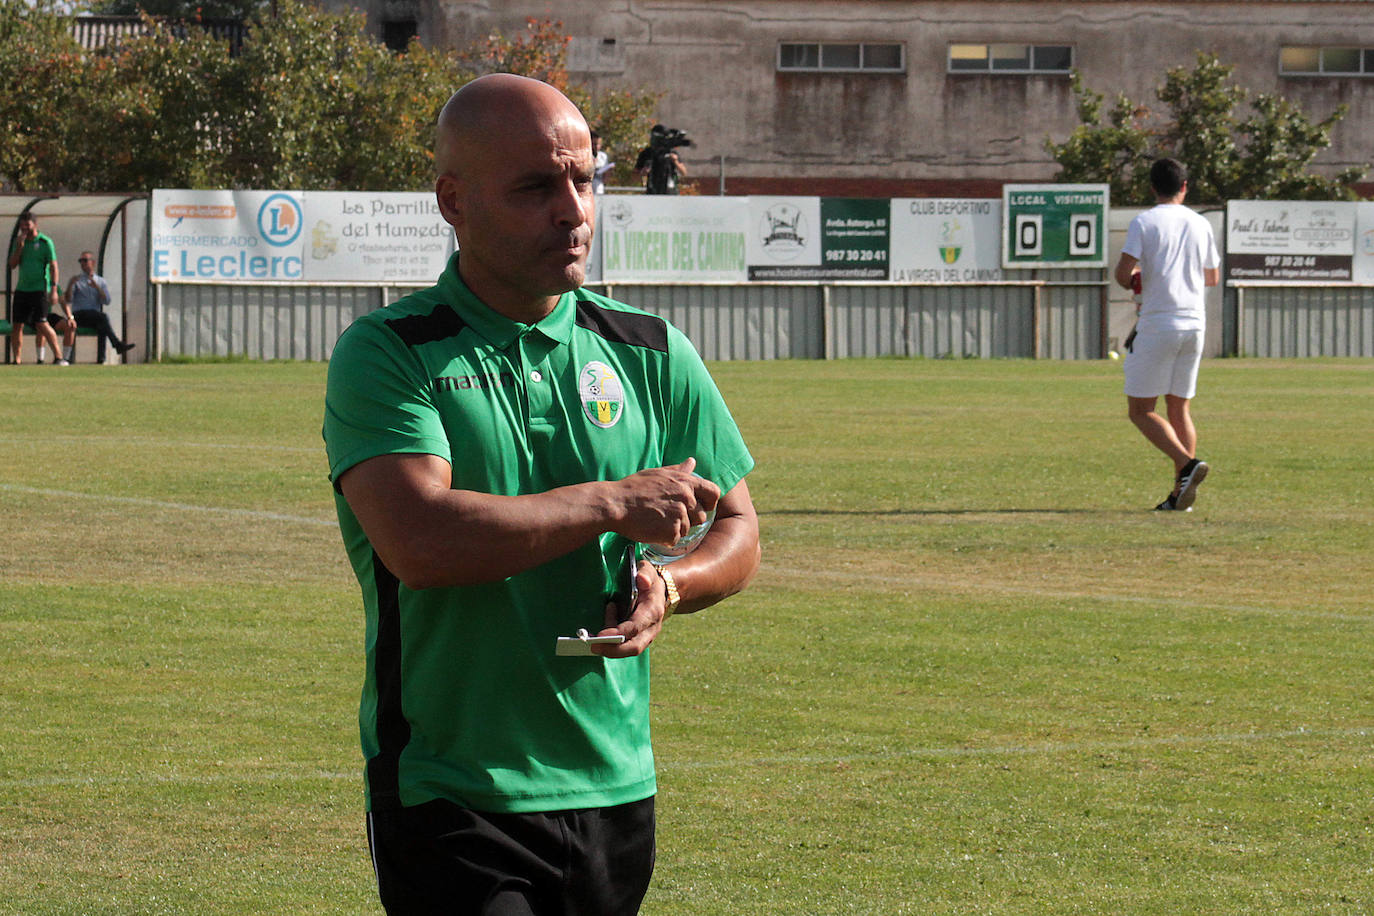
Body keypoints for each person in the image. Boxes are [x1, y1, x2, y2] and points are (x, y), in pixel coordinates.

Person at [322, 73, 761, 915]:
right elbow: (423, 542)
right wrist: (612, 503)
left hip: (614, 783)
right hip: (451, 789)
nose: (573, 209)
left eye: (584, 178)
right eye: (535, 187)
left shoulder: (651, 350)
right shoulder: (391, 353)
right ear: (453, 200)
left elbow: (736, 526)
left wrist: (672, 583)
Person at [1114, 157, 1219, 511]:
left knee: (1141, 410)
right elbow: (1212, 278)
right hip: (1195, 323)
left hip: (1159, 322)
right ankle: (1180, 496)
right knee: (1179, 408)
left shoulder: (1145, 221)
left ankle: (1187, 465)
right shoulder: (1200, 223)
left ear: (1152, 187)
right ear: (1185, 186)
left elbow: (1123, 273)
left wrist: (1138, 280)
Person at [7, 212, 68, 365]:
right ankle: (17, 360)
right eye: (22, 226)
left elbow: (54, 266)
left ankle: (59, 357)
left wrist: (53, 289)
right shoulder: (19, 242)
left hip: (39, 290)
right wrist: (19, 248)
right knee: (17, 325)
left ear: (35, 224)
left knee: (41, 322)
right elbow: (12, 264)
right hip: (22, 289)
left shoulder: (45, 242)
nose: (24, 229)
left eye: (27, 225)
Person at [59, 251, 135, 364]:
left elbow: (107, 301)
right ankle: (117, 344)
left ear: (92, 262)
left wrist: (97, 288)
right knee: (103, 318)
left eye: (85, 261)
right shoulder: (76, 280)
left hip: (94, 316)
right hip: (80, 314)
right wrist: (70, 285)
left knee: (102, 325)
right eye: (81, 261)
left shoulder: (100, 281)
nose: (83, 264)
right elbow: (69, 299)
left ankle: (101, 359)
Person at [634, 125, 688, 195]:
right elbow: (634, 175)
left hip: (670, 191)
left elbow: (684, 172)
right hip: (652, 191)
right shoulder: (646, 153)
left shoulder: (671, 152)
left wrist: (675, 161)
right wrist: (643, 172)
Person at [590, 129, 613, 195]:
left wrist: (608, 172)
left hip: (599, 189)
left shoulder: (603, 156)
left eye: (598, 144)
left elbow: (605, 179)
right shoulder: (584, 155)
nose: (596, 147)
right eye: (594, 144)